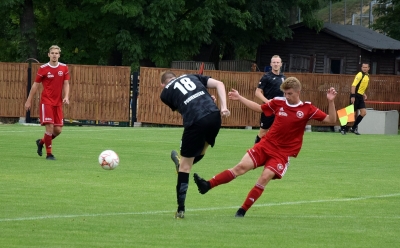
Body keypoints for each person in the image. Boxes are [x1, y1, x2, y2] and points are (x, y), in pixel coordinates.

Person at [193, 77, 337, 217]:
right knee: (240, 168)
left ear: (298, 92)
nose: (286, 96)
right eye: (285, 93)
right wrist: (240, 97)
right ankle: (207, 185)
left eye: (290, 94)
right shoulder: (278, 102)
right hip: (265, 144)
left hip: (282, 153)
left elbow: (331, 119)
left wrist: (331, 101)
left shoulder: (307, 108)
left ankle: (242, 210)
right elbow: (259, 108)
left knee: (265, 176)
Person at [160, 71, 230, 219]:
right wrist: (223, 107)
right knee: (202, 148)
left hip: (195, 120)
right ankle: (181, 163)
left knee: (185, 167)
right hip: (214, 116)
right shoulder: (192, 76)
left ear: (163, 84)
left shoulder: (164, 93)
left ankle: (180, 210)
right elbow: (219, 84)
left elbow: (182, 107)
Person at [24, 45, 70, 160]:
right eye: (52, 53)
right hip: (46, 102)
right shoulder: (43, 68)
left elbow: (66, 83)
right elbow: (35, 85)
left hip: (58, 103)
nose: (54, 55)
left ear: (59, 55)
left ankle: (41, 142)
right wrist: (28, 100)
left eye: (56, 53)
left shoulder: (64, 68)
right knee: (49, 128)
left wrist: (66, 96)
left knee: (58, 130)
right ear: (48, 55)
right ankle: (49, 154)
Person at [254, 55, 285, 143]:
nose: (276, 64)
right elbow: (257, 92)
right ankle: (255, 151)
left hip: (280, 109)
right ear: (271, 64)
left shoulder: (284, 78)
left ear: (281, 64)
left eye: (277, 62)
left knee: (280, 132)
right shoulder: (266, 77)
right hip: (269, 109)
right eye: (274, 62)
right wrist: (267, 101)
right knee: (263, 132)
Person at [340, 62, 370, 135]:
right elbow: (353, 85)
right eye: (363, 67)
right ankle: (342, 128)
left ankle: (353, 128)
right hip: (355, 95)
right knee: (350, 112)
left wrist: (364, 94)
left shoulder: (367, 76)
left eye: (366, 67)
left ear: (368, 68)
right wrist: (353, 96)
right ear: (361, 68)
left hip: (360, 96)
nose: (364, 68)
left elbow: (360, 87)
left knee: (363, 113)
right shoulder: (359, 74)